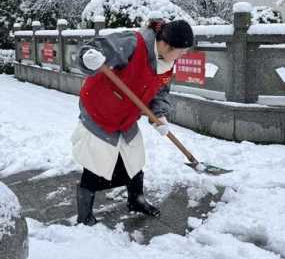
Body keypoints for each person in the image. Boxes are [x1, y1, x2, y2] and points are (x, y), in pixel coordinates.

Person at [71, 15, 194, 226]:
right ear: (165, 43)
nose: (182, 55)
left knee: (134, 159)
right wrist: (88, 57)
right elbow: (94, 49)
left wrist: (159, 115)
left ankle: (136, 200)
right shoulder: (132, 43)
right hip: (100, 110)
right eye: (181, 50)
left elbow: (160, 91)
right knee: (95, 161)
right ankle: (85, 215)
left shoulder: (167, 62)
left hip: (126, 115)